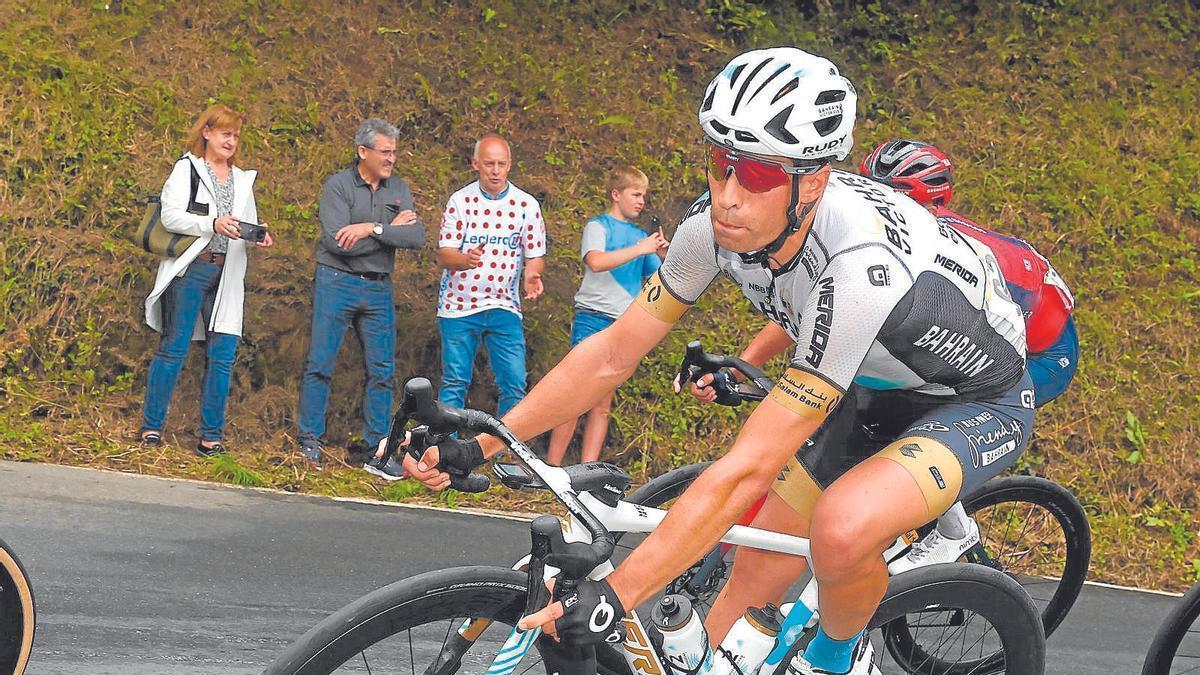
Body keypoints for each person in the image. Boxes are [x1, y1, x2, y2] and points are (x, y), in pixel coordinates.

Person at [404, 47, 1037, 675]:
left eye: (758, 175)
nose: (728, 195)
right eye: (720, 162)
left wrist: (618, 595)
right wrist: (483, 442)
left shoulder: (858, 268)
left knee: (842, 530)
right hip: (870, 380)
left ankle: (837, 657)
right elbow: (610, 354)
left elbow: (748, 467)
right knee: (750, 580)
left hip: (974, 396)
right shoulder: (707, 227)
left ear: (811, 182)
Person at [858, 139, 1078, 573]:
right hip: (997, 333)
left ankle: (953, 534)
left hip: (1043, 353)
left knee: (935, 405)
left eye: (887, 197)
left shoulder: (970, 251)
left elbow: (979, 341)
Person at [139, 104, 274, 456]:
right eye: (226, 134)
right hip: (191, 270)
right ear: (207, 133)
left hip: (226, 273)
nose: (231, 141)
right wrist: (211, 224)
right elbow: (170, 215)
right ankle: (151, 428)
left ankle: (210, 437)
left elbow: (245, 223)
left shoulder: (242, 178)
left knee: (222, 355)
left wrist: (256, 234)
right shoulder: (188, 169)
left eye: (236, 136)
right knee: (174, 349)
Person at [296, 119, 424, 473]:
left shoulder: (397, 188)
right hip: (337, 281)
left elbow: (415, 237)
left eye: (395, 152)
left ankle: (377, 451)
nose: (392, 159)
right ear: (363, 152)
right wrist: (389, 233)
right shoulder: (337, 187)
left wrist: (370, 227)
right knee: (320, 364)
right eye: (385, 152)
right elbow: (339, 244)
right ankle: (309, 442)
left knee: (382, 371)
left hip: (379, 286)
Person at [545, 165, 667, 465]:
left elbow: (662, 279)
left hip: (622, 323)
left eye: (644, 195)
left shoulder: (641, 237)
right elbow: (596, 262)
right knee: (573, 396)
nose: (641, 200)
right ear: (616, 194)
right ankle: (551, 468)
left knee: (602, 403)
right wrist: (641, 249)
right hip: (593, 316)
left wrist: (663, 252)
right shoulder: (598, 226)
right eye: (635, 194)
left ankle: (588, 473)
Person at [434, 134, 546, 418]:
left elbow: (535, 253)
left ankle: (502, 451)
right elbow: (444, 254)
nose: (495, 171)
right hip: (458, 306)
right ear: (476, 164)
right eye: (489, 164)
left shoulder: (526, 205)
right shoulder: (460, 201)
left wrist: (532, 275)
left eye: (501, 164)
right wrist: (464, 259)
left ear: (509, 165)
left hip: (503, 305)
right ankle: (443, 450)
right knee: (455, 381)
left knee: (515, 382)